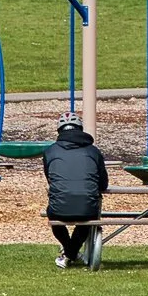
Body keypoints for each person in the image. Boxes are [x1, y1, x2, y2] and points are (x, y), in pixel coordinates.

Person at [42, 114, 107, 268]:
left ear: (59, 130)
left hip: (59, 206)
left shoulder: (50, 151)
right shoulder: (93, 151)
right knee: (88, 218)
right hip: (87, 207)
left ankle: (68, 253)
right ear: (80, 129)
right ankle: (71, 253)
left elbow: (50, 179)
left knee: (54, 216)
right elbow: (103, 184)